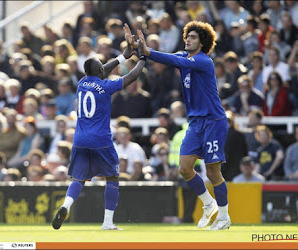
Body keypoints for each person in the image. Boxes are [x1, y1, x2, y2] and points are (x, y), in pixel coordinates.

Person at [127, 21, 230, 230]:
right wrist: (141, 50)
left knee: (212, 172)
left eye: (193, 37)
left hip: (213, 121)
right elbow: (168, 58)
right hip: (195, 123)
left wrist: (148, 50)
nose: (188, 40)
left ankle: (224, 217)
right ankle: (209, 205)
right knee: (184, 168)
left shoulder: (203, 61)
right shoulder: (184, 58)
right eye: (187, 36)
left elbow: (170, 59)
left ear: (202, 43)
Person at [52, 24, 147, 231]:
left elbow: (104, 68)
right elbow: (131, 77)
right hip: (100, 139)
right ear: (99, 71)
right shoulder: (106, 86)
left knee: (80, 178)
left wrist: (123, 56)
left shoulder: (82, 84)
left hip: (79, 139)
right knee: (112, 177)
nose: (103, 66)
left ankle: (66, 205)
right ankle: (107, 222)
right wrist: (141, 58)